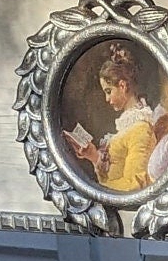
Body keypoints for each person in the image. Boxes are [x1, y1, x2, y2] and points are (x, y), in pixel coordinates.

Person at [63, 45, 160, 195]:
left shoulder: (141, 129)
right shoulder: (129, 125)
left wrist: (95, 191)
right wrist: (93, 156)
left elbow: (134, 186)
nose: (107, 99)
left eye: (109, 91)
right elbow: (115, 170)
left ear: (122, 85)